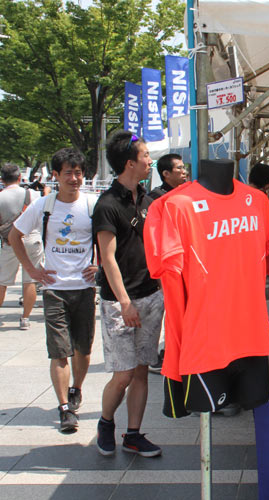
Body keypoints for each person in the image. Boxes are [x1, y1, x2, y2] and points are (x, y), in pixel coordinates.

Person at [9, 148, 98, 433]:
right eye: (68, 173)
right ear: (56, 176)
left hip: (84, 288)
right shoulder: (44, 205)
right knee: (58, 351)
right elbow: (14, 235)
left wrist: (100, 265)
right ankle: (64, 408)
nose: (74, 178)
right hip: (54, 289)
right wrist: (33, 270)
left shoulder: (92, 205)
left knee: (83, 350)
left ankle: (76, 389)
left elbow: (110, 239)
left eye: (78, 172)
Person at [93, 131, 164, 458]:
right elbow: (107, 259)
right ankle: (106, 422)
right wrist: (124, 303)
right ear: (129, 163)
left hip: (151, 296)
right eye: (145, 155)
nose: (150, 160)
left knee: (140, 371)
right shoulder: (107, 205)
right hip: (119, 302)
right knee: (122, 374)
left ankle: (133, 433)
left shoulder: (148, 201)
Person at [147, 153, 187, 373]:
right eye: (179, 168)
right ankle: (162, 355)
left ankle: (171, 352)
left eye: (183, 168)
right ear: (165, 173)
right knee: (168, 314)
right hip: (166, 266)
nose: (184, 172)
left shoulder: (186, 195)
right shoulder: (156, 199)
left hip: (183, 264)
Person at [0, 163, 42, 329]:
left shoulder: (1, 196)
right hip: (31, 238)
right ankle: (25, 318)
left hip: (9, 241)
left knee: (2, 281)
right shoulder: (32, 194)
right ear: (19, 177)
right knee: (29, 280)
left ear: (2, 180)